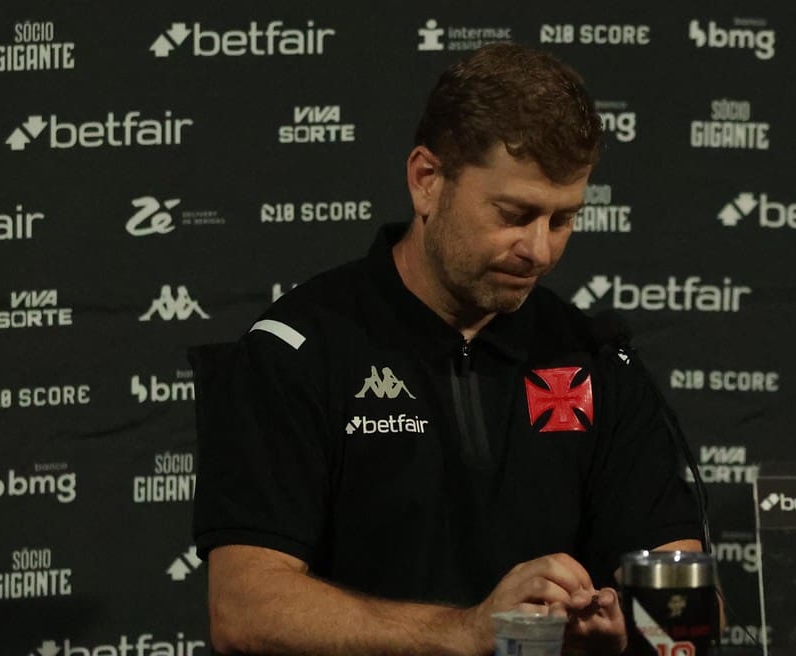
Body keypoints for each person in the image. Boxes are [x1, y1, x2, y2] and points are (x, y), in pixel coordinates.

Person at [191, 42, 704, 656]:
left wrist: (637, 630)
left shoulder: (595, 355)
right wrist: (467, 631)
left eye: (563, 220)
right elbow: (245, 610)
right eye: (515, 214)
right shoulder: (298, 351)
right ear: (427, 181)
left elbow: (688, 601)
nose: (539, 251)